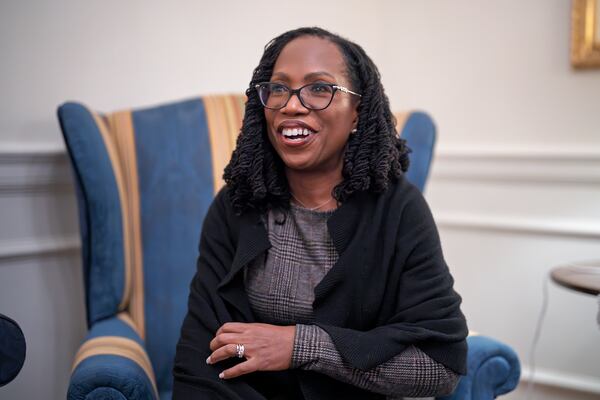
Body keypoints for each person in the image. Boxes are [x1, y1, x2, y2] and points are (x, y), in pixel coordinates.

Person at [173, 27, 468, 400]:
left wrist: (300, 347)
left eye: (319, 88)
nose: (291, 105)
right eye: (278, 88)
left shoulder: (399, 211)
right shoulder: (237, 205)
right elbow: (199, 356)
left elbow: (439, 366)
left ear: (357, 113)